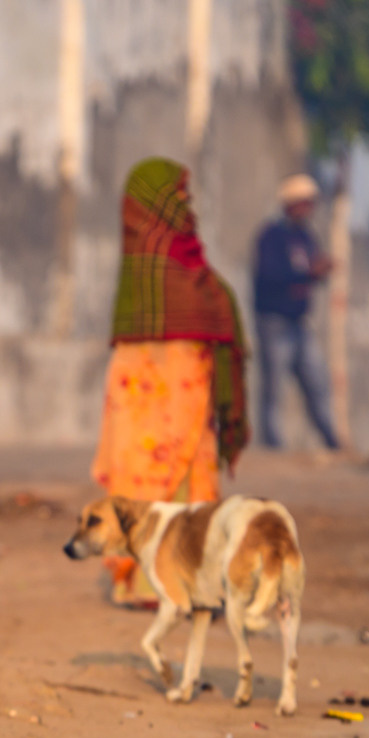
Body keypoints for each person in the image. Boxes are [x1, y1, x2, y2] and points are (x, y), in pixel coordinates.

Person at [92, 157, 250, 605]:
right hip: (149, 413)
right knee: (148, 484)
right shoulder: (148, 281)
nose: (188, 207)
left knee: (189, 491)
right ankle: (147, 584)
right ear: (153, 209)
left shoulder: (196, 274)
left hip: (191, 407)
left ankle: (187, 581)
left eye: (188, 197)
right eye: (177, 198)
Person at [251, 174, 340, 451]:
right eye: (304, 203)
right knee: (274, 389)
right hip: (274, 322)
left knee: (317, 382)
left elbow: (310, 273)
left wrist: (320, 271)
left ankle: (332, 441)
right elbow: (269, 274)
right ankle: (273, 446)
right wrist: (305, 272)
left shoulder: (305, 236)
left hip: (300, 322)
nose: (308, 209)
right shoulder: (271, 236)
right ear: (291, 204)